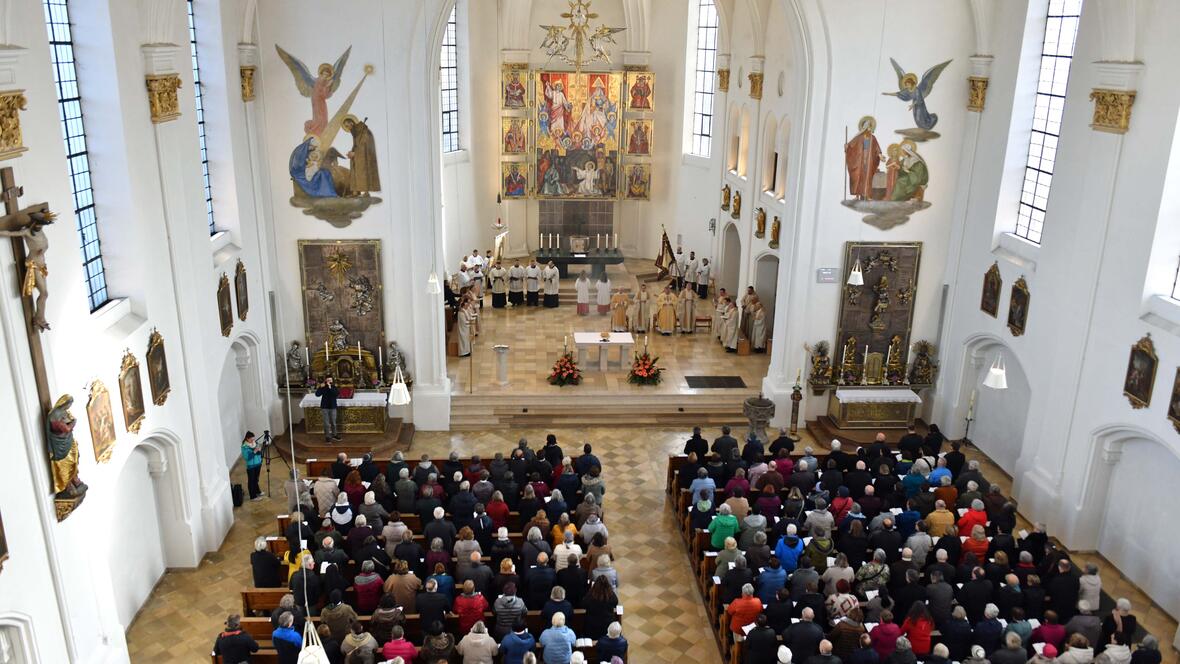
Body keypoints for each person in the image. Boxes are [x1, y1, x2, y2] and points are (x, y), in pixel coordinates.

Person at [314, 376, 341, 442]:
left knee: (333, 422)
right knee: (326, 423)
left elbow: (336, 394)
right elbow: (317, 394)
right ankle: (327, 436)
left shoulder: (334, 387)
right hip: (325, 407)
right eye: (328, 380)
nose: (329, 381)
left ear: (332, 381)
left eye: (330, 380)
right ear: (326, 381)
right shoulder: (323, 387)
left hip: (333, 406)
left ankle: (334, 435)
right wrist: (320, 387)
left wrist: (330, 387)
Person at [240, 432, 265, 501]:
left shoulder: (255, 443)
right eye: (251, 439)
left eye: (253, 439)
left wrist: (259, 450)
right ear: (247, 439)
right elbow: (247, 457)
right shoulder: (244, 447)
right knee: (251, 481)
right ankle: (253, 496)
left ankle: (257, 491)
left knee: (256, 479)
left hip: (258, 464)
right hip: (251, 466)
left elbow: (259, 454)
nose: (253, 441)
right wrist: (254, 452)